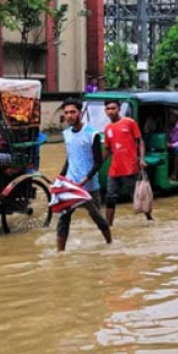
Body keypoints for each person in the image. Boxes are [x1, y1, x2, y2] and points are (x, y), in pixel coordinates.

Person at [56, 98, 111, 252]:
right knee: (63, 219)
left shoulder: (92, 134)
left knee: (98, 218)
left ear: (80, 113)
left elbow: (98, 162)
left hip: (89, 187)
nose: (69, 116)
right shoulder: (66, 134)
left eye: (73, 112)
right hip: (70, 185)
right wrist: (60, 177)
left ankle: (110, 243)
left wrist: (84, 180)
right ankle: (60, 253)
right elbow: (70, 159)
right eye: (66, 113)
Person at [102, 100, 146, 226]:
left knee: (138, 197)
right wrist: (97, 164)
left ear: (119, 109)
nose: (110, 111)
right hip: (114, 170)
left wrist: (142, 159)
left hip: (130, 168)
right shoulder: (107, 129)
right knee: (110, 198)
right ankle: (108, 226)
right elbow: (107, 149)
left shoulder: (130, 123)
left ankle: (149, 218)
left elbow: (140, 142)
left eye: (113, 108)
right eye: (108, 109)